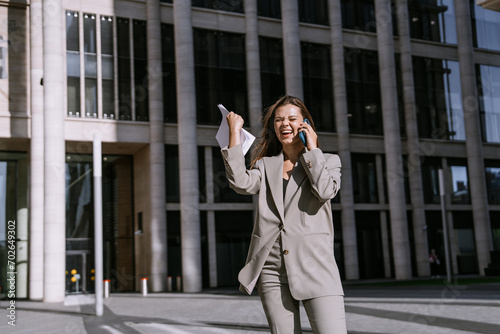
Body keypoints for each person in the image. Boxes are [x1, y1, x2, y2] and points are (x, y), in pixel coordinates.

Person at [221, 95, 346, 333]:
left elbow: (325, 190)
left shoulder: (328, 161)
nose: (284, 124)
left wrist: (313, 150)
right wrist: (234, 133)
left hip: (316, 266)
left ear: (305, 123)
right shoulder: (265, 165)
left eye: (291, 118)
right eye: (278, 120)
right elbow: (240, 183)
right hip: (271, 270)